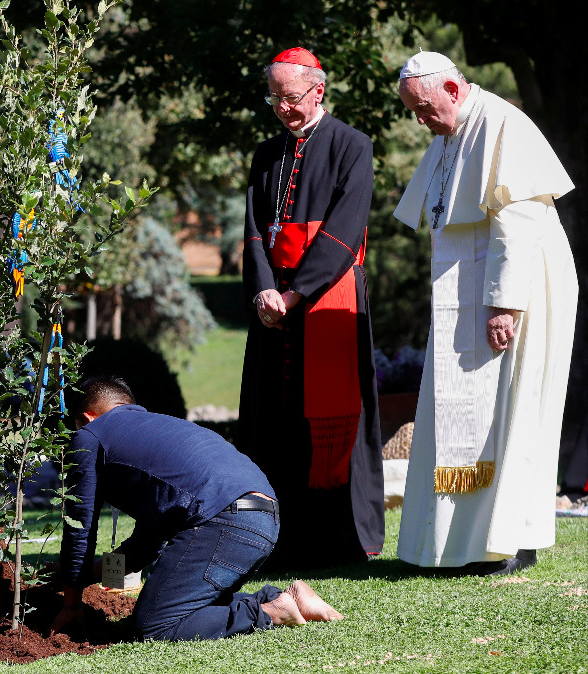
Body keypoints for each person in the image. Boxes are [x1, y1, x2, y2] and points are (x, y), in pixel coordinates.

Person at [393, 52, 578, 575]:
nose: (422, 122)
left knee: (513, 411)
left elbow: (516, 223)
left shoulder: (502, 125)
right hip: (467, 292)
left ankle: (510, 542)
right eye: (413, 112)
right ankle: (459, 543)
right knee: (464, 412)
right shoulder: (451, 134)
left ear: (453, 87)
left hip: (518, 291)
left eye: (425, 109)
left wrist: (503, 303)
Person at [50, 376, 343, 642]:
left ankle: (268, 611)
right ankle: (284, 596)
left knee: (153, 626)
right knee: (187, 605)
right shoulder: (157, 430)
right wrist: (82, 575)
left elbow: (80, 527)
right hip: (263, 516)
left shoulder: (90, 436)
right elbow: (144, 547)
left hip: (223, 520)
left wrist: (72, 602)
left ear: (88, 418)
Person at [237, 46, 384, 570]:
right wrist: (263, 293)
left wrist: (295, 293)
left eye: (291, 97)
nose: (282, 108)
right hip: (273, 309)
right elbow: (254, 232)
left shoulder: (352, 146)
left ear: (317, 90)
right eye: (274, 98)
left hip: (327, 303)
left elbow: (344, 233)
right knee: (273, 422)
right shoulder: (264, 154)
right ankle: (275, 540)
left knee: (329, 424)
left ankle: (341, 543)